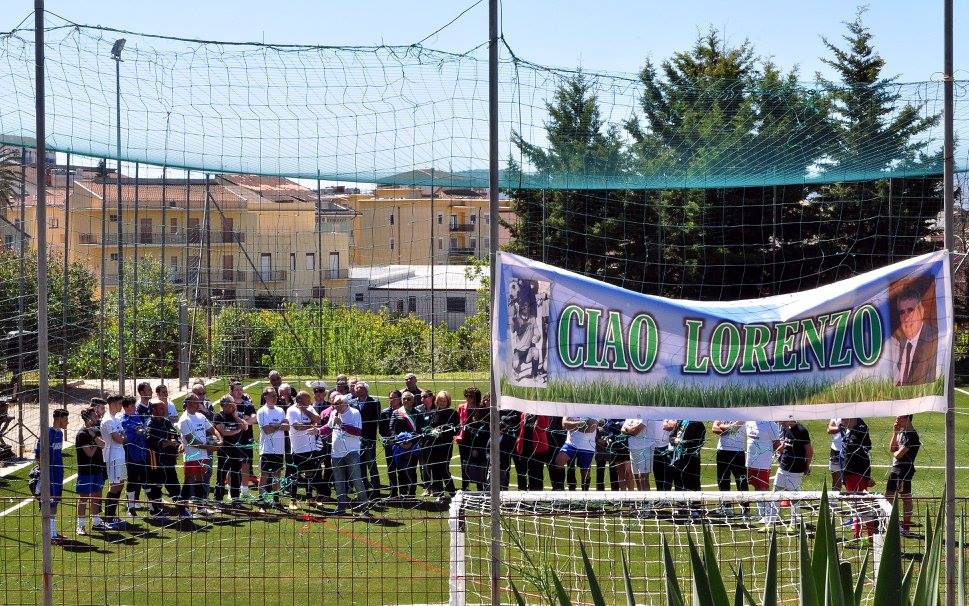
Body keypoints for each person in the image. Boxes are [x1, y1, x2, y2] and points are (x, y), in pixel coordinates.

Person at [145, 399, 187, 519]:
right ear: (154, 410)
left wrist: (179, 443)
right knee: (156, 485)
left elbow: (175, 436)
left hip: (169, 460)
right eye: (161, 408)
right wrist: (169, 443)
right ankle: (156, 511)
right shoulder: (149, 424)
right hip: (155, 461)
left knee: (174, 484)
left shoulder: (166, 422)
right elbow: (155, 442)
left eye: (164, 408)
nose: (164, 410)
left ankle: (182, 509)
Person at [765, 420, 812, 526]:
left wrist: (807, 466)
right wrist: (779, 449)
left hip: (796, 470)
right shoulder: (786, 429)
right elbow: (786, 443)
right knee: (776, 494)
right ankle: (770, 523)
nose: (780, 423)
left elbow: (809, 451)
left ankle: (793, 524)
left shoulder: (802, 431)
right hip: (782, 467)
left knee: (794, 497)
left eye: (782, 420)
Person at [178, 393, 219, 514]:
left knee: (201, 478)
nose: (199, 404)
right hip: (191, 455)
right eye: (197, 402)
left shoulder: (200, 416)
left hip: (203, 454)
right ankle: (182, 507)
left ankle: (200, 507)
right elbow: (191, 440)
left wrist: (219, 439)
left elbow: (212, 429)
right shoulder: (184, 420)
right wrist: (208, 447)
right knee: (189, 480)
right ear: (189, 404)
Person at [328, 394, 368, 514]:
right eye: (334, 404)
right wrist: (318, 430)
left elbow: (357, 432)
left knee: (357, 480)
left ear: (345, 403)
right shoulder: (333, 413)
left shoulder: (354, 413)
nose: (335, 406)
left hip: (352, 452)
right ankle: (341, 507)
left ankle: (364, 506)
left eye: (338, 404)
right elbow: (329, 427)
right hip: (336, 453)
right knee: (339, 482)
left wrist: (342, 425)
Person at [34, 409, 69, 543]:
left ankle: (53, 532)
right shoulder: (46, 433)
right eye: (65, 420)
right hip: (49, 474)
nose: (67, 422)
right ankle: (48, 533)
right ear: (59, 419)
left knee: (55, 501)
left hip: (58, 472)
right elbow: (38, 455)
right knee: (48, 502)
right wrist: (44, 473)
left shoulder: (59, 433)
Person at [893, 289, 938, 386]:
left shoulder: (936, 340)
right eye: (902, 312)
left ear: (921, 311)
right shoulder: (896, 345)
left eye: (910, 310)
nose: (906, 317)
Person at [839, 417, 875, 540]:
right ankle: (857, 533)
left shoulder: (860, 431)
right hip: (848, 473)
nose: (840, 422)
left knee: (862, 505)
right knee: (855, 504)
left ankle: (870, 534)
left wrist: (867, 476)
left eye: (843, 419)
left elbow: (865, 455)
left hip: (857, 473)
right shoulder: (848, 430)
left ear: (851, 418)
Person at [285, 390, 321, 508]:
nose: (310, 402)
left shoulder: (309, 408)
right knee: (296, 474)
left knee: (310, 474)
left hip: (311, 447)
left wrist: (305, 409)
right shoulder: (291, 410)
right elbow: (297, 426)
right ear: (300, 400)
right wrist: (312, 425)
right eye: (307, 400)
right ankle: (293, 500)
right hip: (298, 448)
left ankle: (309, 498)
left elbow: (318, 420)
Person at [887, 414, 920, 537]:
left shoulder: (911, 436)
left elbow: (898, 455)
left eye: (898, 418)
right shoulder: (902, 432)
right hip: (898, 469)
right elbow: (892, 449)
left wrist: (896, 452)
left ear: (907, 419)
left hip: (902, 469)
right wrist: (895, 433)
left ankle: (901, 528)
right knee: (901, 498)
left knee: (893, 498)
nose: (896, 420)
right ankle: (901, 527)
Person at [256, 387, 288, 510]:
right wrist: (279, 425)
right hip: (267, 449)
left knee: (277, 476)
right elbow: (267, 430)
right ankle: (261, 502)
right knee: (264, 476)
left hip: (279, 449)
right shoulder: (262, 412)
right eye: (272, 395)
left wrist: (275, 425)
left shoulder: (280, 410)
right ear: (265, 397)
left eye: (275, 395)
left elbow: (287, 427)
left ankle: (275, 501)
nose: (275, 398)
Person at [75, 408, 106, 535]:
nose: (97, 418)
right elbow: (89, 453)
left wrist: (95, 439)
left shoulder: (96, 430)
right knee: (83, 497)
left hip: (97, 468)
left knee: (97, 494)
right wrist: (95, 442)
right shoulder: (82, 434)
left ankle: (96, 521)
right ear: (87, 419)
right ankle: (80, 525)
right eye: (94, 416)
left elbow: (103, 444)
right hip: (85, 470)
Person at [213, 395, 248, 505]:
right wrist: (238, 430)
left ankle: (235, 499)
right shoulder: (218, 416)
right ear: (224, 405)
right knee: (221, 475)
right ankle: (218, 499)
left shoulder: (238, 415)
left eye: (234, 404)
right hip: (224, 450)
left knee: (236, 475)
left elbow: (245, 427)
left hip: (236, 450)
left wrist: (236, 416)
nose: (234, 406)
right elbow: (224, 432)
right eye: (231, 404)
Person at [390, 391, 425, 498]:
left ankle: (412, 493)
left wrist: (411, 442)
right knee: (400, 470)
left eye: (409, 399)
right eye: (404, 398)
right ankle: (403, 492)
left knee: (411, 470)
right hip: (399, 447)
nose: (406, 401)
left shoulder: (418, 413)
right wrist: (399, 441)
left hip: (413, 446)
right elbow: (391, 429)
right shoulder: (396, 412)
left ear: (413, 401)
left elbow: (421, 431)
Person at [100, 394, 127, 528]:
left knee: (120, 484)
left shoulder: (116, 418)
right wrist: (123, 436)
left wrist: (123, 436)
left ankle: (112, 515)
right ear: (112, 404)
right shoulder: (108, 420)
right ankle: (108, 518)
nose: (121, 406)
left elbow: (123, 434)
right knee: (114, 486)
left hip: (120, 454)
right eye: (120, 403)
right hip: (113, 456)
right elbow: (119, 438)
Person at [120, 396, 149, 517]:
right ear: (125, 407)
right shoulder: (123, 420)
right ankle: (130, 508)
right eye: (131, 406)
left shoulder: (136, 416)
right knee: (132, 480)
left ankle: (152, 506)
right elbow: (128, 438)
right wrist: (139, 432)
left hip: (142, 453)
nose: (134, 408)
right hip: (131, 455)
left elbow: (143, 430)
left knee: (146, 479)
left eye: (134, 405)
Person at [351, 382, 382, 497]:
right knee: (360, 465)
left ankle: (376, 490)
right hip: (356, 439)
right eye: (357, 387)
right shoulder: (352, 403)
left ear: (366, 389)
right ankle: (364, 489)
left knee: (371, 464)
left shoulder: (374, 402)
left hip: (369, 439)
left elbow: (377, 421)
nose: (358, 389)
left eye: (361, 387)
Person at [229, 381, 258, 499]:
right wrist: (244, 420)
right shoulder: (229, 405)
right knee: (232, 465)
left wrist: (243, 422)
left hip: (246, 438)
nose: (239, 392)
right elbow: (228, 419)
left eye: (241, 389)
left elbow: (254, 418)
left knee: (246, 464)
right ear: (231, 391)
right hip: (233, 439)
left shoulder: (248, 404)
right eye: (236, 389)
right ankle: (232, 491)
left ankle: (244, 490)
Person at [428, 391, 459, 500]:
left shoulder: (453, 413)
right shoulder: (433, 412)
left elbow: (456, 429)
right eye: (440, 400)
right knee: (435, 470)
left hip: (445, 446)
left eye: (444, 400)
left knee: (444, 469)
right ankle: (439, 494)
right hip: (433, 446)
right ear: (436, 401)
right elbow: (428, 428)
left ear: (448, 401)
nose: (442, 402)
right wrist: (432, 431)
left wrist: (444, 431)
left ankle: (452, 493)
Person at [712, 420, 748, 514]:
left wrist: (721, 426)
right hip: (722, 450)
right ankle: (726, 507)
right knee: (723, 480)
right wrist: (727, 429)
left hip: (737, 451)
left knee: (741, 481)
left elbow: (733, 428)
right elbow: (714, 428)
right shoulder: (722, 412)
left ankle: (745, 507)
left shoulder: (741, 415)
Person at [554, 417, 598, 491]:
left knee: (585, 472)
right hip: (571, 444)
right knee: (559, 461)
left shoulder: (593, 410)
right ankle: (559, 489)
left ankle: (585, 493)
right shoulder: (571, 407)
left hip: (587, 446)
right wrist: (581, 424)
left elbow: (591, 429)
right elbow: (564, 425)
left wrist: (572, 426)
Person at [462, 391, 490, 492]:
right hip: (480, 445)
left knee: (490, 468)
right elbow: (473, 431)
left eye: (490, 399)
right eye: (486, 399)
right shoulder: (479, 412)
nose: (487, 401)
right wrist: (474, 447)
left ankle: (491, 489)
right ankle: (480, 489)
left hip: (492, 445)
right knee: (479, 467)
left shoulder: (496, 412)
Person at [514, 414, 550, 490]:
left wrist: (539, 414)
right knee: (523, 473)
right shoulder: (524, 414)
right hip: (524, 449)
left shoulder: (542, 414)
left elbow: (542, 427)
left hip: (538, 449)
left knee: (537, 475)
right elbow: (521, 431)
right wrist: (519, 445)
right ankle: (524, 497)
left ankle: (537, 499)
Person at [378, 390, 403, 498]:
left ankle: (404, 491)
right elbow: (382, 429)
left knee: (402, 469)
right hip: (390, 445)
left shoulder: (404, 411)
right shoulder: (384, 412)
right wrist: (386, 440)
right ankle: (393, 491)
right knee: (391, 468)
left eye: (394, 397)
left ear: (399, 399)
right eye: (390, 397)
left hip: (403, 444)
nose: (392, 400)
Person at [670, 420, 705, 492]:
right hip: (677, 457)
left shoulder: (698, 424)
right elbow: (671, 436)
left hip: (691, 459)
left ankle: (694, 502)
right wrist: (674, 440)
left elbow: (699, 441)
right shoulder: (681, 421)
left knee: (692, 482)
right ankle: (680, 501)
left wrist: (682, 442)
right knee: (678, 480)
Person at [455, 388, 479, 491]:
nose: (468, 398)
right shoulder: (461, 407)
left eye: (471, 396)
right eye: (467, 396)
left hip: (477, 440)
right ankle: (465, 486)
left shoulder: (479, 408)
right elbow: (457, 422)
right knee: (464, 463)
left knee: (477, 462)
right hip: (464, 439)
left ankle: (479, 486)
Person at [492, 401, 519, 490]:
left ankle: (522, 495)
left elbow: (516, 418)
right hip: (504, 443)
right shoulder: (500, 405)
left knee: (521, 471)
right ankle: (504, 492)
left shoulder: (518, 406)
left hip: (518, 443)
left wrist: (506, 418)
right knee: (504, 469)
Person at [622, 418, 653, 491]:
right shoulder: (630, 416)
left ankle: (647, 500)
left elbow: (636, 431)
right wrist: (630, 430)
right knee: (636, 476)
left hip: (646, 448)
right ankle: (640, 499)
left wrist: (628, 429)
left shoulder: (646, 415)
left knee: (643, 476)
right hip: (632, 448)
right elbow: (622, 430)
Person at [415, 390, 437, 495]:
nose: (422, 398)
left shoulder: (437, 409)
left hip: (435, 442)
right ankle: (427, 487)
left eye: (425, 396)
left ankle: (436, 488)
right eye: (421, 397)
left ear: (431, 397)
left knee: (434, 465)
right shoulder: (419, 409)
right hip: (422, 441)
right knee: (424, 466)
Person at [652, 420, 677, 491]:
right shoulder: (651, 413)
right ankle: (659, 498)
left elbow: (670, 426)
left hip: (667, 448)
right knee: (657, 475)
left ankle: (667, 499)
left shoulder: (668, 412)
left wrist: (666, 421)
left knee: (668, 476)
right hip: (654, 447)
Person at [826, 418, 844, 490]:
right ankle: (834, 500)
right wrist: (840, 428)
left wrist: (837, 429)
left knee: (850, 478)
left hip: (848, 450)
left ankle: (852, 499)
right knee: (836, 480)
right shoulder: (836, 414)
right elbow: (829, 429)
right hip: (835, 450)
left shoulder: (852, 414)